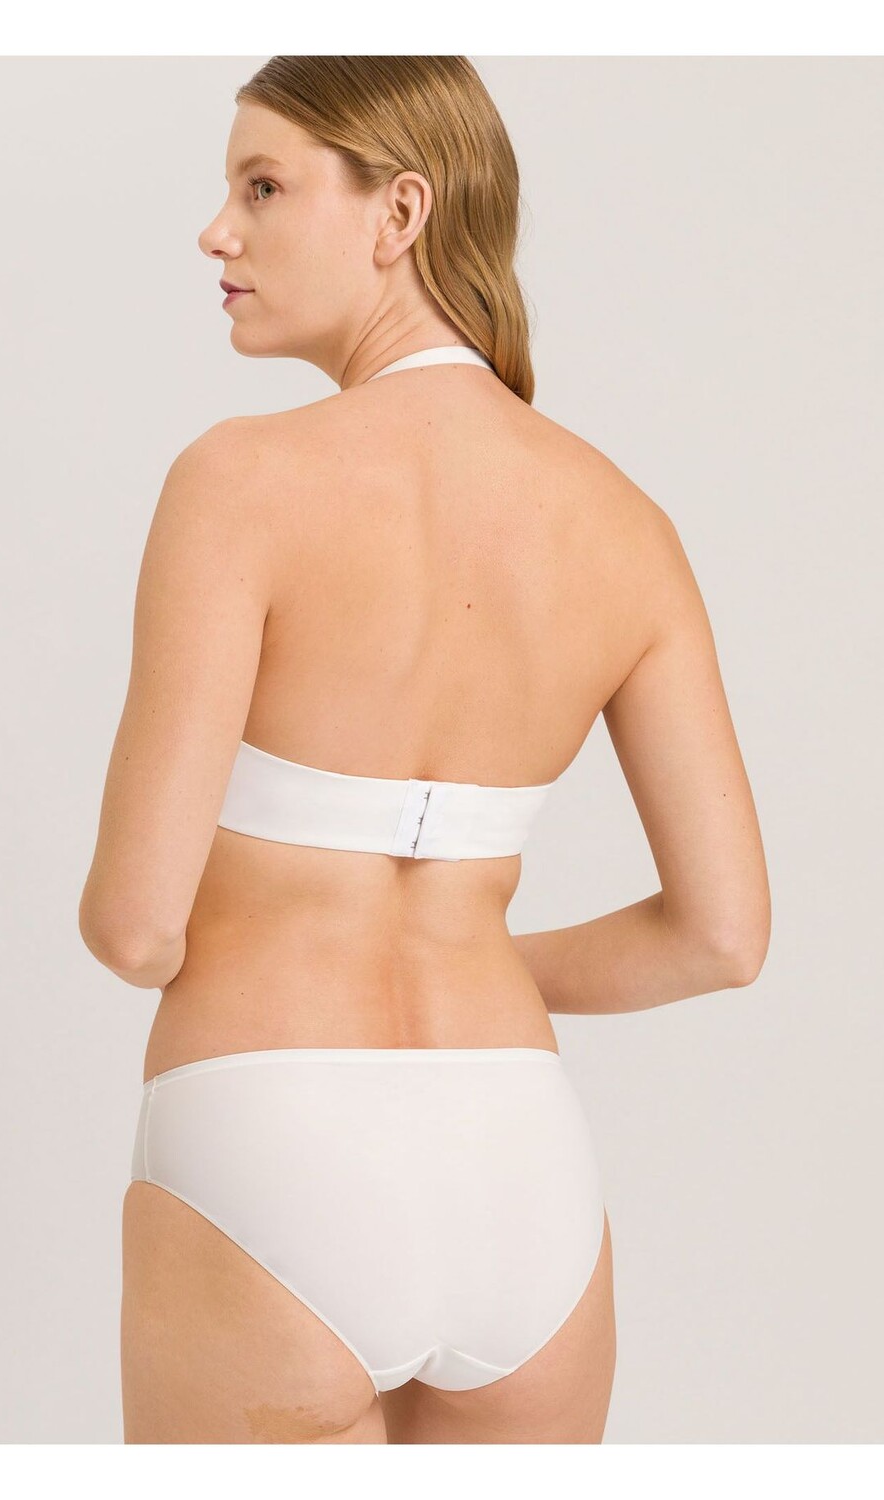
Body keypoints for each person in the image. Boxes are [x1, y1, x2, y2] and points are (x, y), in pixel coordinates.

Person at [78, 56, 770, 1445]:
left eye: (261, 187)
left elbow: (136, 927)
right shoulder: (627, 526)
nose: (218, 231)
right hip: (520, 1164)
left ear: (399, 212)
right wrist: (471, 960)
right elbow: (722, 938)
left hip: (266, 1139)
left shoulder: (238, 481)